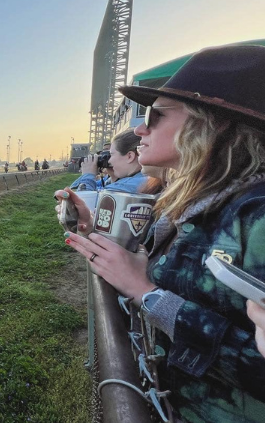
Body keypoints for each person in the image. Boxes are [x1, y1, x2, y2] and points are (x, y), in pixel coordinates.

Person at [61, 45, 265, 421]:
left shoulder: (257, 216)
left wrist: (147, 294)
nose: (139, 128)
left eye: (155, 115)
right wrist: (97, 229)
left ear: (212, 123)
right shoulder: (199, 200)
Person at [70, 128, 147, 193]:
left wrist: (88, 175)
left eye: (112, 154)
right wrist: (113, 177)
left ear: (130, 156)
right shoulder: (144, 180)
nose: (109, 161)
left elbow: (83, 205)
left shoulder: (127, 187)